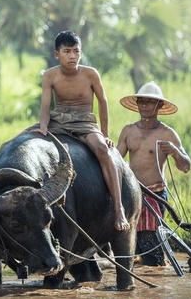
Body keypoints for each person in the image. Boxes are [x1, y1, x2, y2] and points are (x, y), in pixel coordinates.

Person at [31, 31, 130, 231]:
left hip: (84, 121)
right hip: (59, 120)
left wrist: (104, 133)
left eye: (76, 51)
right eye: (67, 51)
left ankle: (119, 209)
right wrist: (42, 126)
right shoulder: (50, 75)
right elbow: (45, 107)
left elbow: (103, 102)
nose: (72, 56)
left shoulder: (90, 74)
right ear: (57, 54)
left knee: (102, 150)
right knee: (16, 143)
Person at [116, 81, 191, 266]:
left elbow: (186, 166)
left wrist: (174, 151)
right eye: (141, 101)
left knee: (149, 242)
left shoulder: (167, 133)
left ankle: (157, 271)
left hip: (154, 194)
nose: (144, 105)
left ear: (159, 105)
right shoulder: (128, 131)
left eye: (149, 102)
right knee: (128, 244)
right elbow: (116, 162)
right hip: (131, 194)